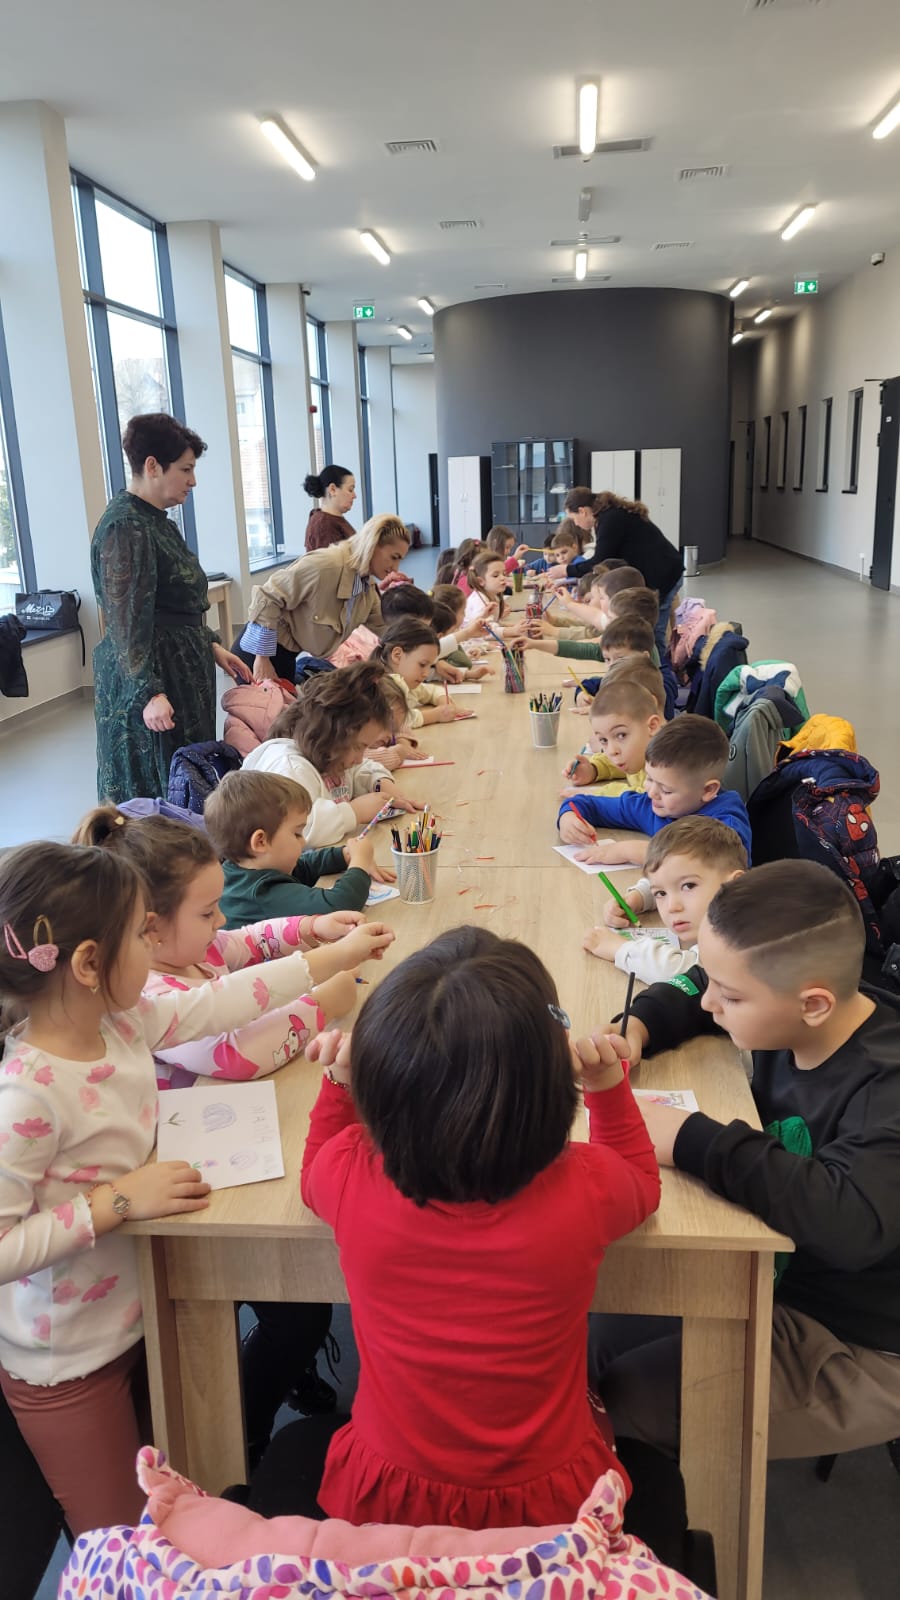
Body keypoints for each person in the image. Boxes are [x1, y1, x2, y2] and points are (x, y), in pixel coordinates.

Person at [0, 837, 346, 1535]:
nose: (154, 946)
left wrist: (325, 958)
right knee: (125, 1540)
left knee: (181, 1498)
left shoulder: (121, 1021)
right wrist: (117, 1201)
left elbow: (220, 1002)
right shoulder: (28, 1095)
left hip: (148, 1308)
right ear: (89, 964)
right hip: (70, 1362)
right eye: (140, 935)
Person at [300, 927, 660, 1527]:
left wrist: (339, 1084)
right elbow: (643, 1184)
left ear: (378, 1092)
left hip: (389, 1502)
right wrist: (607, 1088)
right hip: (548, 1506)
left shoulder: (347, 1174)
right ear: (550, 1090)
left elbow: (313, 1171)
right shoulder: (588, 1187)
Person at [592, 861, 900, 1461]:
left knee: (624, 1399)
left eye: (730, 997)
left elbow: (849, 1222)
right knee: (594, 1330)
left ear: (814, 1004)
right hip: (782, 1267)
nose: (710, 1002)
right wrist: (639, 1027)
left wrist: (691, 1139)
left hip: (858, 1336)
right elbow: (697, 986)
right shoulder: (797, 1008)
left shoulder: (885, 1089)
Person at [91, 412, 251, 804]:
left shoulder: (157, 522)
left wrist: (212, 645)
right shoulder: (126, 527)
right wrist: (149, 693)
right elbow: (126, 621)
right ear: (152, 466)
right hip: (155, 676)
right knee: (160, 785)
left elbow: (177, 601)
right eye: (186, 469)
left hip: (179, 669)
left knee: (187, 777)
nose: (192, 481)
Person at [243, 661, 421, 848]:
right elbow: (301, 831)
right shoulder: (290, 768)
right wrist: (355, 812)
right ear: (330, 733)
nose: (360, 758)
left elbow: (361, 768)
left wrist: (379, 783)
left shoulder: (333, 755)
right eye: (358, 747)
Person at [558, 715, 751, 864]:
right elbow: (586, 804)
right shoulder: (652, 804)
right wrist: (568, 818)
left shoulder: (726, 821)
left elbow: (715, 861)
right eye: (649, 779)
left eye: (666, 790)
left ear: (708, 790)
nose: (651, 792)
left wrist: (631, 851)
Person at [207, 769, 393, 924]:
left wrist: (343, 855)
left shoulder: (240, 868)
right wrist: (360, 863)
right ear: (260, 842)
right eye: (296, 834)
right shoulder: (262, 892)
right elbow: (339, 905)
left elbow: (302, 867)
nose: (303, 842)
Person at [241, 515, 410, 682]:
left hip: (286, 654)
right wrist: (262, 658)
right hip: (259, 653)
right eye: (394, 557)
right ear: (373, 545)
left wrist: (416, 647)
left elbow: (386, 629)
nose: (395, 568)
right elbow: (267, 596)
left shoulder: (366, 590)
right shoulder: (323, 566)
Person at [583, 815, 747, 982]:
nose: (672, 907)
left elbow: (680, 971)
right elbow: (667, 879)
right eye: (661, 894)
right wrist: (638, 897)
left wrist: (619, 948)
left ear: (734, 886)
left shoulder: (741, 935)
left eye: (688, 886)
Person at [545, 490, 684, 658]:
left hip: (664, 574)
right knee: (651, 632)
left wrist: (566, 570)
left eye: (574, 518)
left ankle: (656, 667)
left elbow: (600, 560)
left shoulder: (610, 519)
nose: (576, 523)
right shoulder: (609, 516)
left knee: (651, 633)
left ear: (583, 511)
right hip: (660, 571)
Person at [560, 679, 663, 800]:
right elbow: (619, 765)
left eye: (621, 735)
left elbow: (647, 799)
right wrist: (593, 770)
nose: (612, 751)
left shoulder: (668, 763)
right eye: (604, 740)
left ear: (652, 726)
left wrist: (597, 793)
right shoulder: (638, 756)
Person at [375, 620, 462, 728]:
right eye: (422, 664)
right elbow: (397, 720)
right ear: (397, 655)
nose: (426, 673)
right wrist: (437, 715)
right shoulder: (383, 686)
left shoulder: (406, 682)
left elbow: (432, 690)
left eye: (430, 666)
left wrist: (444, 703)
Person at [464, 552, 526, 640]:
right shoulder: (479, 601)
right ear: (481, 581)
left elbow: (493, 622)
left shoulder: (495, 596)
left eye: (504, 574)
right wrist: (512, 631)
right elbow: (485, 631)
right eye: (496, 575)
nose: (503, 578)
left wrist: (514, 626)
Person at [303, 466, 357, 551]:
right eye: (350, 490)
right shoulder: (324, 525)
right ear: (332, 489)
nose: (354, 496)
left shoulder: (332, 520)